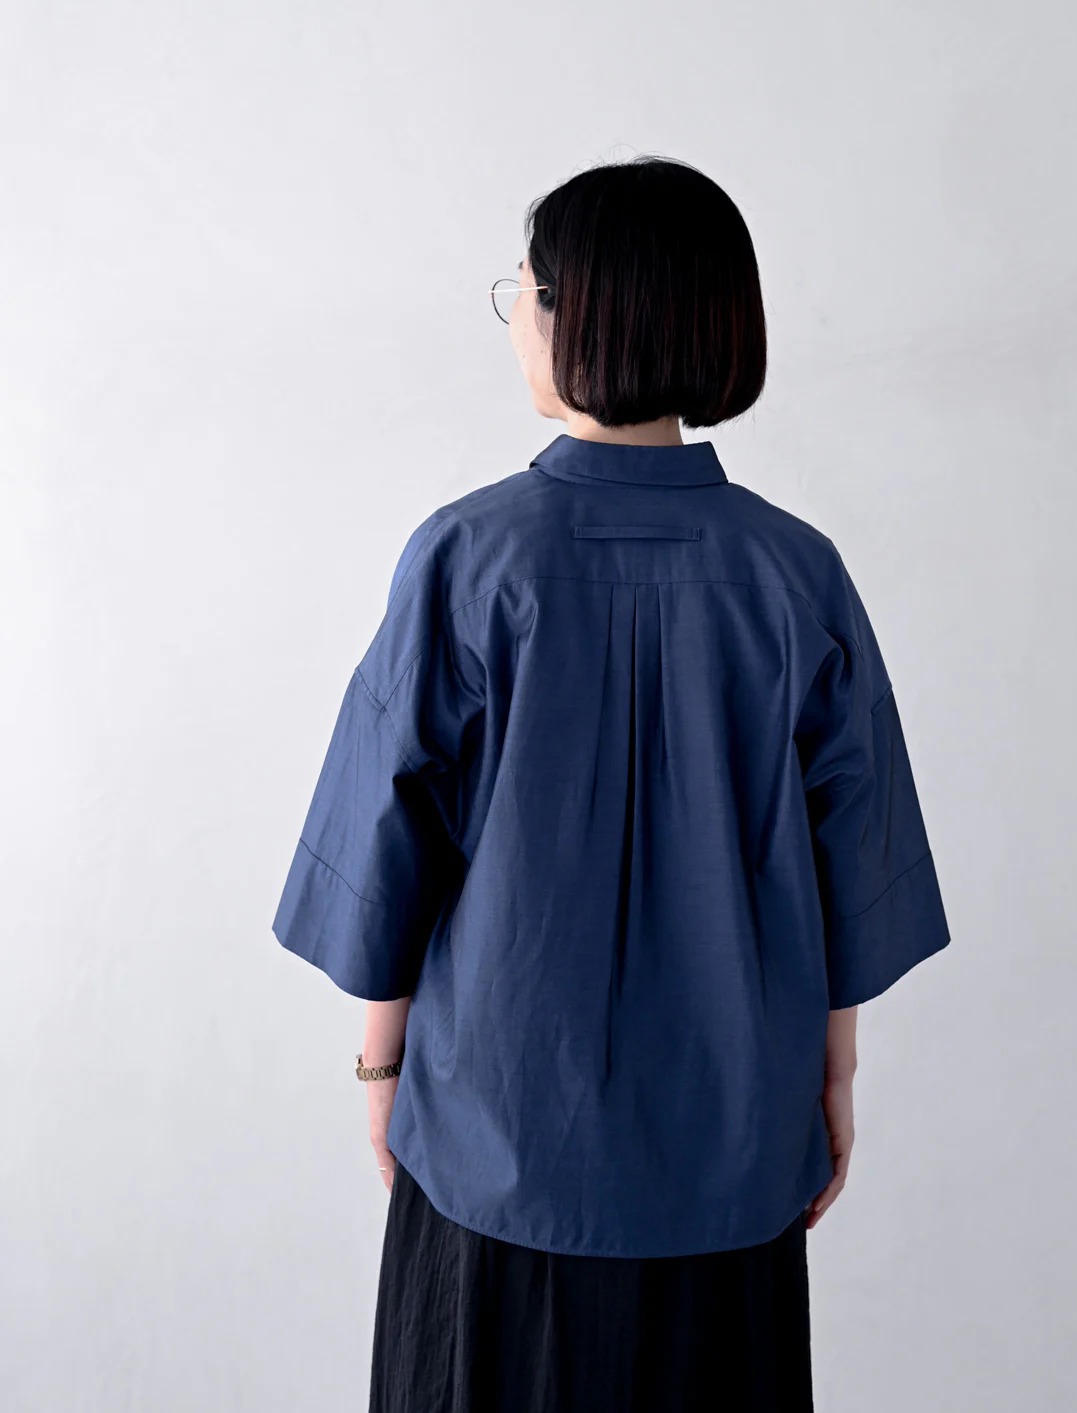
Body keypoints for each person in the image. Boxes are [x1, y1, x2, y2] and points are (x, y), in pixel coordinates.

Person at [271, 154, 951, 1413]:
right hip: (732, 1143)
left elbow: (384, 845)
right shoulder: (794, 575)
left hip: (494, 1139)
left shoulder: (468, 558)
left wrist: (379, 1074)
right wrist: (831, 1079)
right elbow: (851, 864)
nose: (515, 321)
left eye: (524, 291)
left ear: (576, 312)